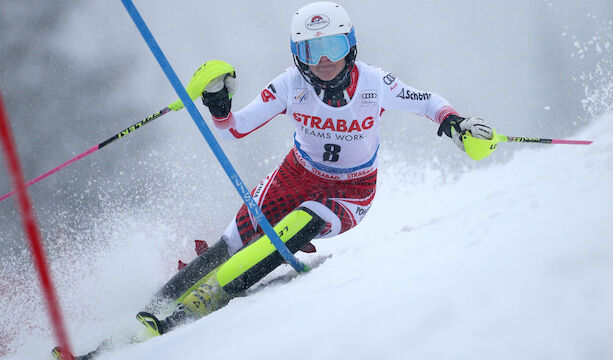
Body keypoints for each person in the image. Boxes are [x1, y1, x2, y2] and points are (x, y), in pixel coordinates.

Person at [137, 1, 494, 336]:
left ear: (351, 47)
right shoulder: (288, 85)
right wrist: (218, 106)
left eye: (334, 47)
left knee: (302, 221)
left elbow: (428, 102)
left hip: (352, 191)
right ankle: (153, 309)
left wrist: (455, 122)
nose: (324, 60)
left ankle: (201, 303)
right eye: (311, 50)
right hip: (295, 175)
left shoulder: (374, 82)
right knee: (233, 240)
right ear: (297, 55)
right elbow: (234, 130)